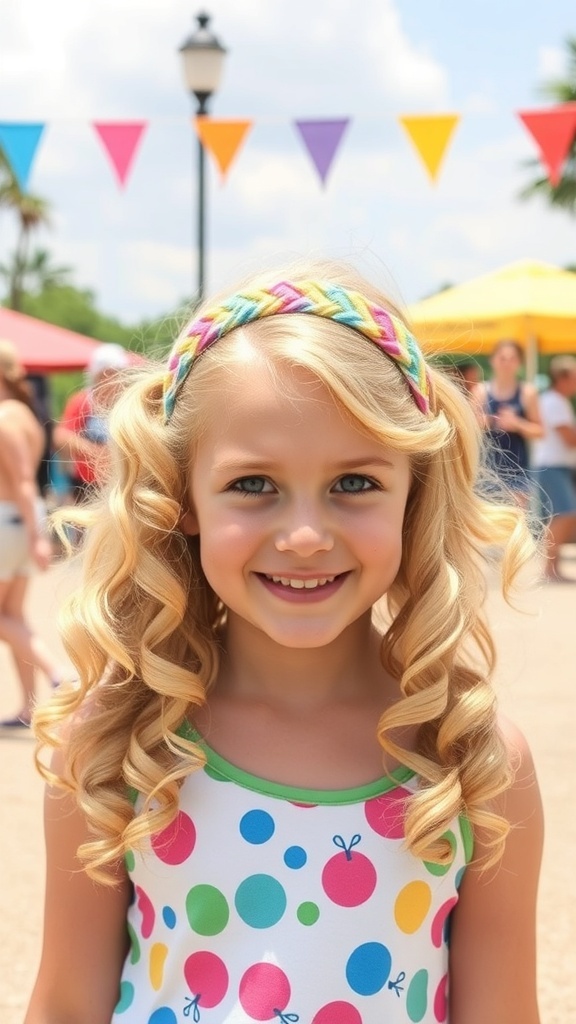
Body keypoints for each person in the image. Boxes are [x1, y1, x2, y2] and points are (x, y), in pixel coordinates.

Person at [26, 263, 543, 1024]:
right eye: (253, 485)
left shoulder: (471, 758)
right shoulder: (114, 742)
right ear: (183, 496)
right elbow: (67, 1004)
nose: (305, 536)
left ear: (415, 494)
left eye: (356, 484)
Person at [0, 341, 66, 728]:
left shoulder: (6, 418)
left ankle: (58, 673)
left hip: (9, 522)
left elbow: (23, 480)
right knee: (14, 618)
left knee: (4, 618)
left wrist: (38, 537)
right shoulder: (25, 415)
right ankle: (28, 707)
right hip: (21, 522)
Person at [53, 342, 130, 502]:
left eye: (115, 373)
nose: (110, 379)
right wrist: (91, 451)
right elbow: (60, 435)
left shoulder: (128, 403)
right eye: (105, 374)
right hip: (87, 485)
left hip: (121, 482)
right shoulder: (83, 401)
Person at [473, 339, 543, 504]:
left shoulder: (527, 393)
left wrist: (517, 424)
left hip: (518, 471)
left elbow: (540, 431)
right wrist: (491, 421)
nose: (506, 363)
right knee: (488, 524)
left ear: (519, 363)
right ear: (493, 360)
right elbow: (469, 427)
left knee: (515, 522)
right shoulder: (481, 391)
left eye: (512, 358)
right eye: (502, 358)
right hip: (485, 470)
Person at [532, 355, 576, 582]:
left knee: (561, 515)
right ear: (562, 377)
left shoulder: (556, 401)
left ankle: (552, 568)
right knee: (566, 514)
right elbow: (569, 438)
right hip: (552, 466)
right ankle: (549, 569)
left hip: (554, 466)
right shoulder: (554, 402)